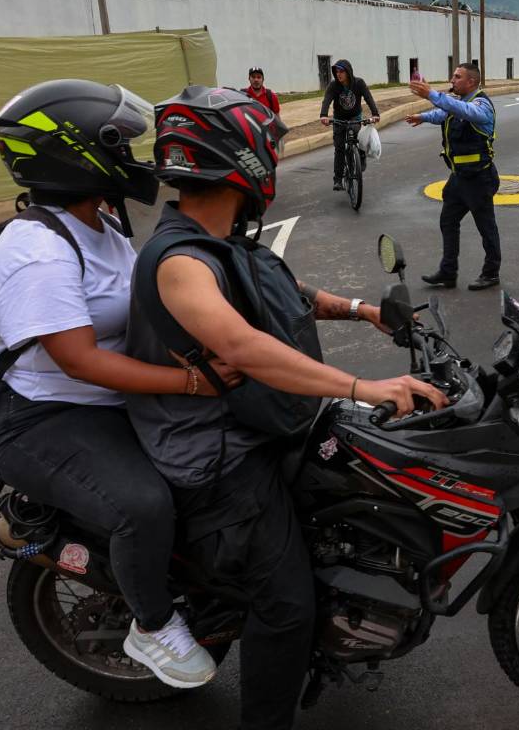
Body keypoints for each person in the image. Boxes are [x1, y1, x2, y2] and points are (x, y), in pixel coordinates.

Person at [128, 85, 446, 730]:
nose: (271, 159)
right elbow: (242, 346)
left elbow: (288, 291)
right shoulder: (180, 262)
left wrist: (364, 311)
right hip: (217, 450)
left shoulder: (225, 242)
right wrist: (363, 386)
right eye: (265, 147)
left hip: (261, 419)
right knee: (287, 605)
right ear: (236, 158)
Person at [0, 79, 242, 690]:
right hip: (42, 418)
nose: (132, 154)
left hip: (107, 400)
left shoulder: (100, 223)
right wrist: (192, 382)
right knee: (142, 505)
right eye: (119, 143)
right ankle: (152, 624)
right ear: (75, 153)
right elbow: (82, 362)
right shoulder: (38, 250)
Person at [404, 62, 501, 291]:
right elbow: (443, 114)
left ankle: (491, 273)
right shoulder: (458, 102)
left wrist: (431, 94)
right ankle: (448, 272)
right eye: (453, 76)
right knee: (448, 221)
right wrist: (423, 116)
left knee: (486, 227)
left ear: (472, 82)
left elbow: (466, 113)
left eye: (457, 77)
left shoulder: (481, 105)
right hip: (459, 179)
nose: (452, 80)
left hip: (479, 178)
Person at [317, 59, 380, 190]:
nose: (338, 74)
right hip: (339, 119)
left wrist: (375, 114)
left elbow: (368, 98)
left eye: (341, 71)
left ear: (348, 72)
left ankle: (361, 156)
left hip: (354, 117)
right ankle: (338, 179)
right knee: (339, 148)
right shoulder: (333, 86)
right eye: (336, 71)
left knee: (358, 136)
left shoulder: (359, 83)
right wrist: (323, 115)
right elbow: (327, 100)